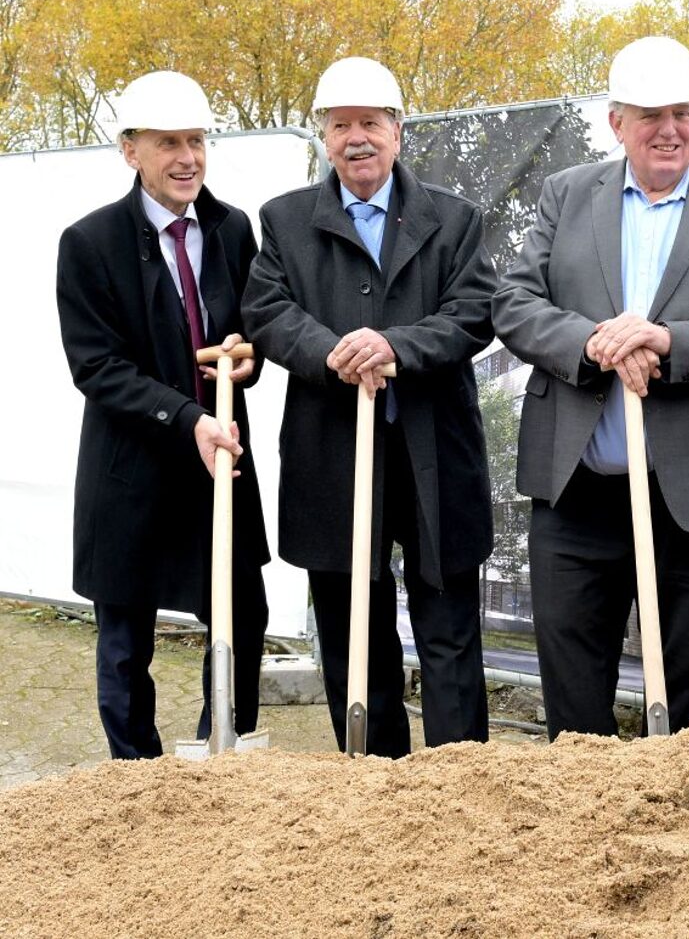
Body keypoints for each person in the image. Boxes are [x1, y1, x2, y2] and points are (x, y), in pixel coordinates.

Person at [493, 37, 689, 739]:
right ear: (616, 122)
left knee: (683, 683)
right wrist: (594, 343)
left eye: (682, 113)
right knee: (572, 681)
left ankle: (683, 836)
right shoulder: (567, 195)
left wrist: (666, 342)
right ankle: (583, 827)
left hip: (685, 491)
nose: (669, 130)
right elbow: (512, 301)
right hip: (575, 486)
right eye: (650, 114)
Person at [243, 56, 492, 757]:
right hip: (333, 453)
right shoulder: (286, 221)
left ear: (398, 132)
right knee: (354, 628)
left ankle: (458, 777)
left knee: (448, 626)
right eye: (342, 125)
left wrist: (393, 346)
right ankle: (372, 779)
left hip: (434, 451)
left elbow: (474, 312)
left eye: (372, 124)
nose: (358, 138)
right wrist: (331, 351)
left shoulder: (455, 219)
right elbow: (266, 309)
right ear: (324, 137)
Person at [56, 70, 269, 758]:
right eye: (169, 142)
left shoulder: (233, 230)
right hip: (131, 470)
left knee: (241, 614)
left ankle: (221, 756)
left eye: (198, 140)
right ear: (130, 151)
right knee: (124, 638)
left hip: (219, 462)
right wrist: (185, 418)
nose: (188, 157)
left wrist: (247, 358)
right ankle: (137, 778)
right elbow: (98, 367)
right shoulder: (89, 244)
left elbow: (249, 335)